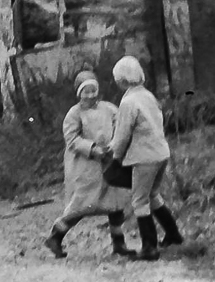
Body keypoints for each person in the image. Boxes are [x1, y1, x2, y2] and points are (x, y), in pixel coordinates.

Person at [44, 70, 134, 259]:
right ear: (79, 93)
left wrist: (115, 144)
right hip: (86, 168)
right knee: (82, 205)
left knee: (115, 204)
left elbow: (120, 125)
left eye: (93, 91)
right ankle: (56, 235)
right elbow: (71, 138)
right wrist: (91, 149)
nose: (91, 95)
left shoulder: (109, 109)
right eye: (86, 91)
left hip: (109, 164)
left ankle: (119, 243)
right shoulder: (74, 114)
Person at [108, 56, 184, 261]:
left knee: (139, 200)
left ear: (121, 79)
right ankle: (173, 234)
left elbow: (122, 135)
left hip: (144, 157)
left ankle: (149, 247)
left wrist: (115, 157)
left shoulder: (128, 102)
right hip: (161, 152)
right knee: (152, 195)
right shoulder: (148, 96)